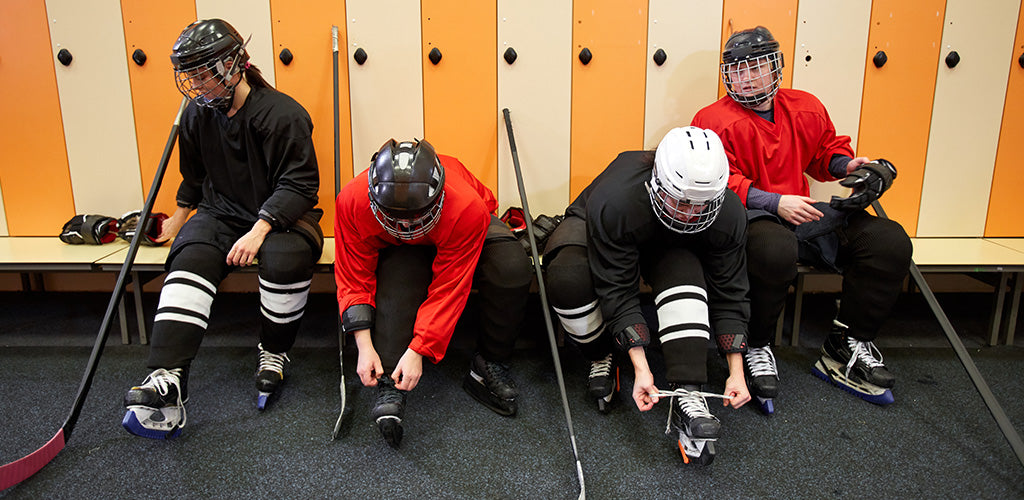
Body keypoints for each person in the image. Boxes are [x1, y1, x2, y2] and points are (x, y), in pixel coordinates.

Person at [122, 19, 323, 439]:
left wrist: (261, 228)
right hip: (222, 212)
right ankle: (169, 378)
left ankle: (274, 352)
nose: (195, 85)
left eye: (202, 74)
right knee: (190, 253)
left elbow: (301, 184)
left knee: (284, 257)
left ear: (233, 66)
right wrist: (178, 219)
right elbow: (193, 176)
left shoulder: (283, 114)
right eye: (189, 76)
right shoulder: (198, 115)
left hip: (285, 215)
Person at [691, 26, 912, 409]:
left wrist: (850, 166)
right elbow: (718, 181)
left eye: (756, 67)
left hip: (802, 212)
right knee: (775, 249)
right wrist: (774, 202)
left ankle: (847, 342)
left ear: (775, 68)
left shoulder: (805, 106)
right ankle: (756, 345)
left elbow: (825, 153)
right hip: (752, 217)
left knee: (889, 240)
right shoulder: (712, 119)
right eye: (739, 70)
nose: (747, 77)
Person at [544, 126, 752, 464]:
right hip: (604, 224)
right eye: (682, 202)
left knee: (684, 269)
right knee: (569, 278)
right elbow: (618, 288)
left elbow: (731, 292)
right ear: (660, 184)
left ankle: (689, 388)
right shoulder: (616, 199)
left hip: (667, 241)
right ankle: (602, 356)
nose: (690, 213)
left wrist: (736, 369)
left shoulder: (726, 212)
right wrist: (640, 365)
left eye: (701, 205)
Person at [335, 138, 532, 448]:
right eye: (397, 218)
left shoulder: (466, 205)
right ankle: (389, 376)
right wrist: (363, 344)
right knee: (400, 271)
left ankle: (487, 365)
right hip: (393, 241)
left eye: (412, 219)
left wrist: (419, 350)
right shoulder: (352, 200)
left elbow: (449, 288)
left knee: (510, 266)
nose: (406, 226)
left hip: (457, 225)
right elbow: (352, 276)